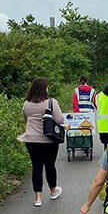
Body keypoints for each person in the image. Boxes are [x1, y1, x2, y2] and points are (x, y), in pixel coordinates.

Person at [18, 77, 65, 207]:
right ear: (44, 89)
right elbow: (60, 119)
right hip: (48, 139)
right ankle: (53, 190)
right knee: (50, 165)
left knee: (36, 166)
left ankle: (38, 197)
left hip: (31, 139)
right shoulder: (51, 102)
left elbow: (25, 118)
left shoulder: (26, 103)